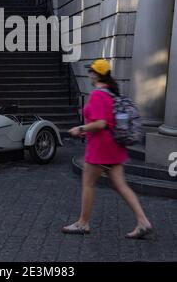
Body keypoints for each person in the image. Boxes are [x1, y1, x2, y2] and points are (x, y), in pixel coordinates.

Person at [62, 59, 153, 239]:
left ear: (96, 74)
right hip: (114, 147)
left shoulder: (97, 94)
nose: (89, 74)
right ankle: (143, 221)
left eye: (91, 71)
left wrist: (80, 129)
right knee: (121, 185)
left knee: (88, 184)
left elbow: (101, 123)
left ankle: (83, 223)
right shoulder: (111, 94)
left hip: (100, 148)